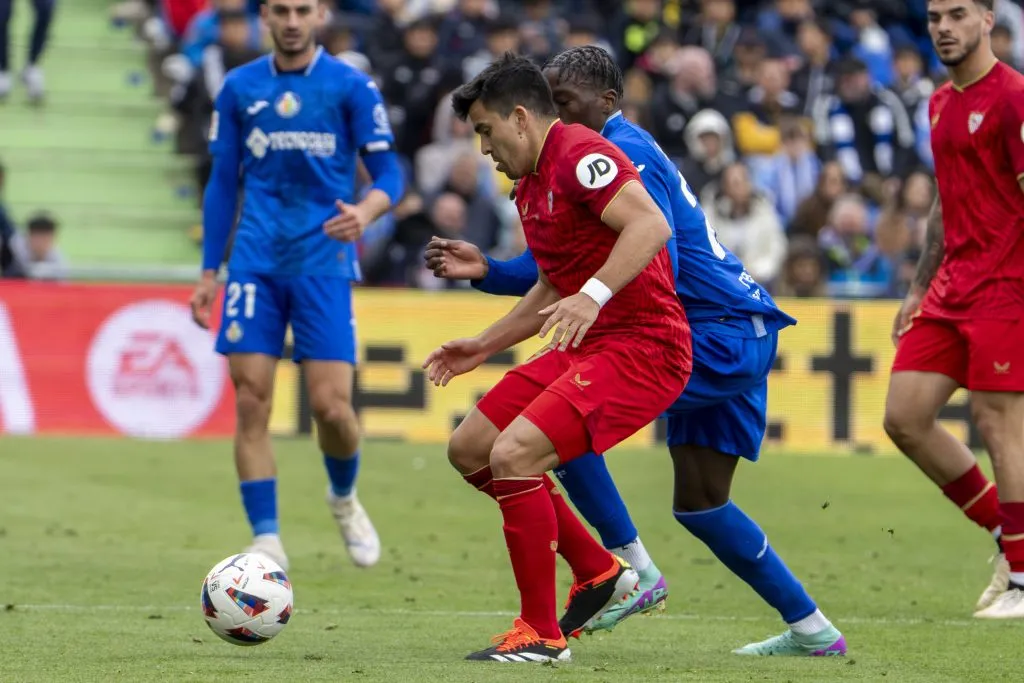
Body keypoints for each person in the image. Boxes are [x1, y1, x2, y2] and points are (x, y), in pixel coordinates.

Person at [427, 45, 847, 657]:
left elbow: (650, 245)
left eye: (565, 104)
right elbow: (564, 269)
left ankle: (619, 576)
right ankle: (813, 629)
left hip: (709, 330)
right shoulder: (539, 177)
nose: (559, 117)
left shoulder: (608, 153)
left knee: (540, 438)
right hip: (704, 329)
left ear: (606, 104)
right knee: (700, 504)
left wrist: (594, 297)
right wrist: (491, 288)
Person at [426, 53, 690, 663]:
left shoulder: (578, 154)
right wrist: (482, 346)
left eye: (488, 131)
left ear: (521, 118)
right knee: (469, 448)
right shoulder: (530, 184)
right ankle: (599, 572)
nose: (485, 148)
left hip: (645, 346)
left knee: (515, 454)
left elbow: (650, 225)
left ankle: (541, 635)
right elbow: (550, 284)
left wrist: (594, 297)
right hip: (590, 344)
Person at [188, 0, 404, 572]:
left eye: (302, 10)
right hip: (255, 263)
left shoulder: (350, 86)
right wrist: (211, 272)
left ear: (320, 16)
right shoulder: (239, 88)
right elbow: (221, 185)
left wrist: (368, 211)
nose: (290, 20)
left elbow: (390, 174)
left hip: (323, 263)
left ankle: (344, 498)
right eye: (281, 9)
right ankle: (266, 539)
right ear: (265, 17)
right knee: (252, 397)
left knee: (332, 408)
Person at [884, 0, 1024, 619]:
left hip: (1006, 287)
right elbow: (947, 199)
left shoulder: (1014, 98)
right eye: (935, 16)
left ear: (989, 20)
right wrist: (918, 287)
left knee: (998, 424)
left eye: (958, 14)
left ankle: (1022, 583)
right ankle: (1008, 536)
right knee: (905, 416)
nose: (943, 26)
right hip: (952, 287)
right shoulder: (939, 103)